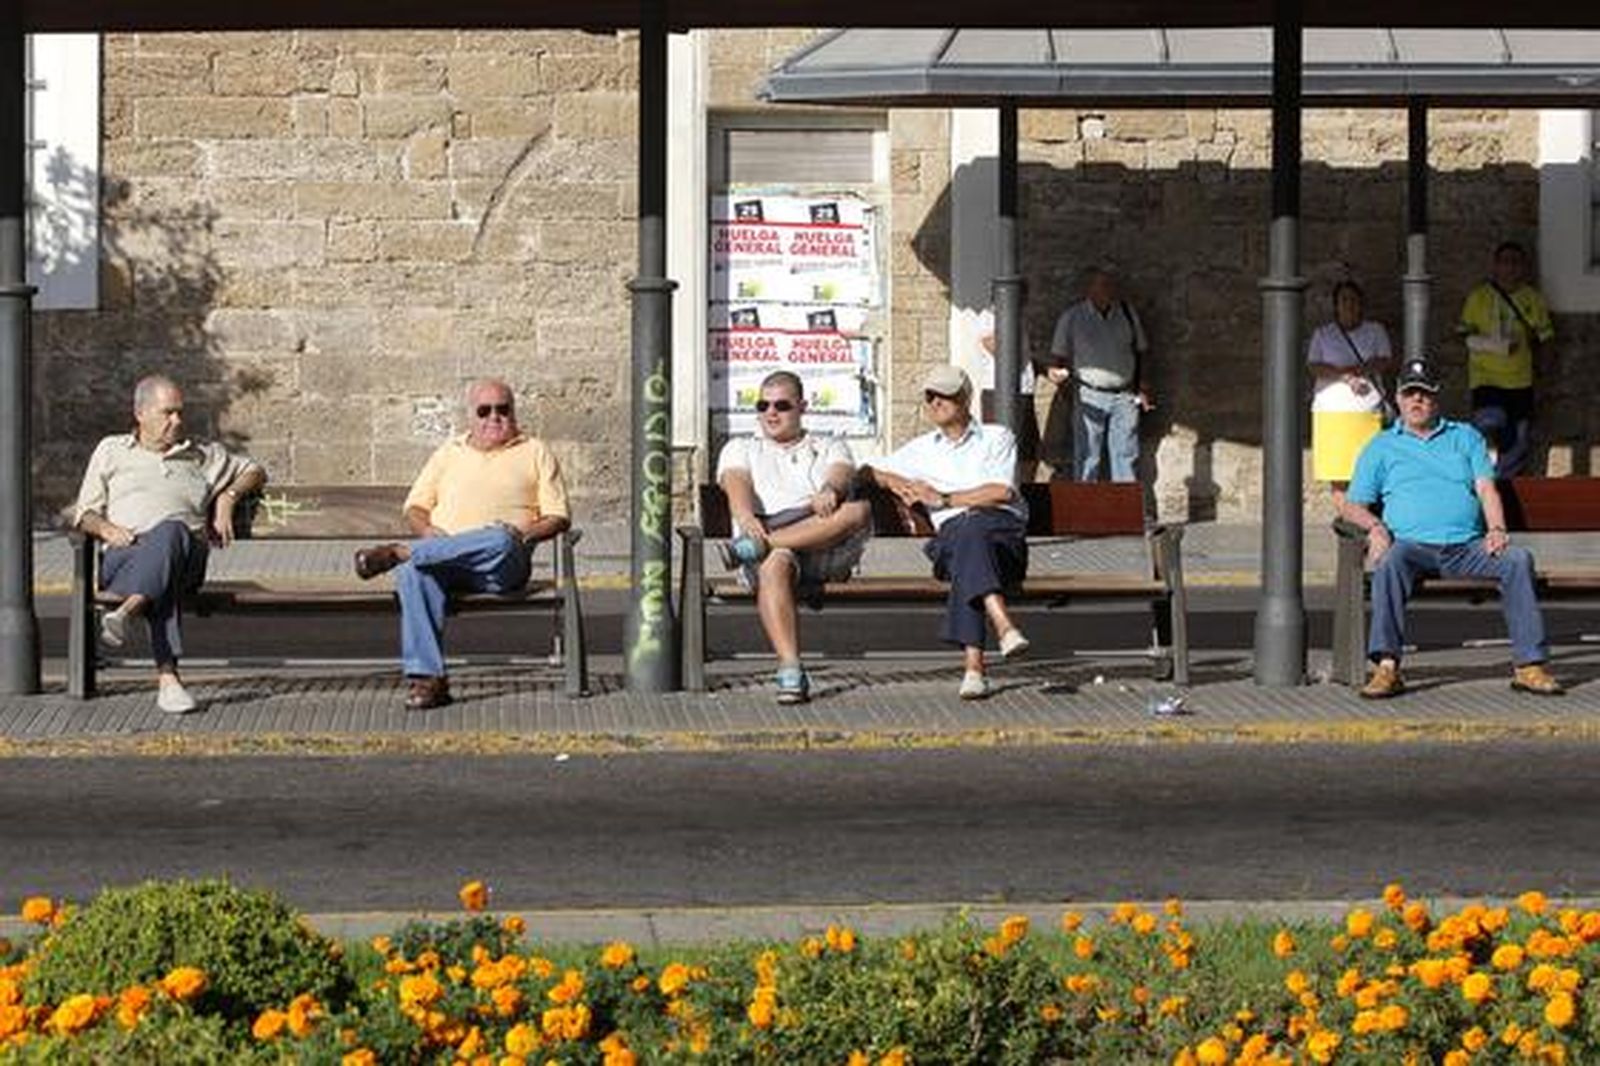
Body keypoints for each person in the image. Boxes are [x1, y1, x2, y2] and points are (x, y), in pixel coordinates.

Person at [1339, 357, 1562, 699]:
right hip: (1410, 547)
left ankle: (1529, 666)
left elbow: (1486, 488)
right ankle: (1387, 667)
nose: (1417, 401)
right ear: (1398, 398)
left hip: (1466, 546)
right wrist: (1376, 527)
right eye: (1410, 393)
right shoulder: (1381, 445)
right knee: (1388, 563)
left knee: (1517, 561)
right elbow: (1352, 505)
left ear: (1436, 398)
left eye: (1424, 394)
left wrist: (1497, 529)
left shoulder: (1465, 437)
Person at [353, 378, 569, 710]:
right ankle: (428, 680)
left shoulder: (534, 451)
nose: (494, 417)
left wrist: (522, 535)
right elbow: (415, 507)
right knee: (412, 574)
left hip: (501, 563)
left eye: (502, 410)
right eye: (484, 410)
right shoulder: (449, 452)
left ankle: (400, 552)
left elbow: (558, 517)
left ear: (514, 413)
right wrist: (425, 531)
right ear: (471, 416)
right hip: (447, 561)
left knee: (498, 536)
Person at [71, 374, 267, 714]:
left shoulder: (201, 454)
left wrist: (227, 498)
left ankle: (128, 611)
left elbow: (254, 470)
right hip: (126, 557)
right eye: (168, 413)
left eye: (180, 413)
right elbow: (84, 513)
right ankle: (168, 681)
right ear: (141, 414)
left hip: (186, 554)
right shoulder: (111, 450)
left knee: (172, 534)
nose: (177, 420)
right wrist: (105, 529)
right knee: (164, 574)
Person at [862, 365, 1029, 699]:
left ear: (965, 398)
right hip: (953, 541)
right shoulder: (921, 449)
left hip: (1001, 536)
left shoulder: (997, 437)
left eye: (945, 394)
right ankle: (1003, 626)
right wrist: (897, 482)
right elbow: (866, 470)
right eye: (929, 396)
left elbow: (1002, 492)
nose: (935, 401)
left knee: (971, 532)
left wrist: (945, 499)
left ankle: (974, 668)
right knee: (966, 535)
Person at [715, 370, 873, 704]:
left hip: (820, 546)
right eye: (763, 405)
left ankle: (762, 545)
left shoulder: (828, 444)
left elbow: (841, 473)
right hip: (771, 547)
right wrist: (744, 516)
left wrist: (830, 489)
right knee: (775, 564)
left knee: (857, 511)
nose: (771, 413)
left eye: (782, 405)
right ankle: (790, 668)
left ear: (801, 407)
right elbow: (736, 482)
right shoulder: (741, 447)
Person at [1044, 267, 1152, 482]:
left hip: (1124, 394)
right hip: (1089, 393)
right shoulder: (1073, 317)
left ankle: (1124, 509)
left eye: (1110, 285)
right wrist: (1061, 384)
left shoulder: (1127, 314)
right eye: (1101, 285)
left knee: (1127, 455)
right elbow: (1058, 356)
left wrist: (1143, 388)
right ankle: (1086, 509)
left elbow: (1141, 352)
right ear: (1089, 290)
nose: (1107, 290)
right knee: (1087, 456)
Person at [1458, 240, 1555, 478]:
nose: (1510, 267)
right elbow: (1462, 333)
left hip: (1520, 381)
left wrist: (1546, 368)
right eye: (1504, 261)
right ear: (1495, 265)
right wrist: (1490, 344)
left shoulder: (1533, 299)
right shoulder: (1479, 297)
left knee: (1518, 441)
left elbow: (1546, 336)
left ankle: (1505, 489)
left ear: (1523, 267)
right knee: (1488, 426)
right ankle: (1482, 481)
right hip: (1486, 379)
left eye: (1515, 262)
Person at [1308, 280, 1394, 507]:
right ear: (1335, 305)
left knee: (1369, 472)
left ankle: (1367, 521)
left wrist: (1360, 370)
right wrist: (1344, 375)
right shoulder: (1323, 334)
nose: (1349, 304)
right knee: (1339, 474)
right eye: (1344, 300)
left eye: (1354, 299)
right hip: (1332, 412)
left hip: (1366, 412)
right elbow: (1314, 365)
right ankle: (1347, 523)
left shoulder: (1375, 330)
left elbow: (1384, 359)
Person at [972, 307, 1041, 482]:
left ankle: (1025, 492)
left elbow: (1024, 356)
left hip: (1024, 389)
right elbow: (996, 348)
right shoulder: (988, 316)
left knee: (1028, 450)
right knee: (998, 447)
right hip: (996, 391)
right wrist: (1007, 320)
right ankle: (998, 490)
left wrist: (1045, 369)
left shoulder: (1021, 315)